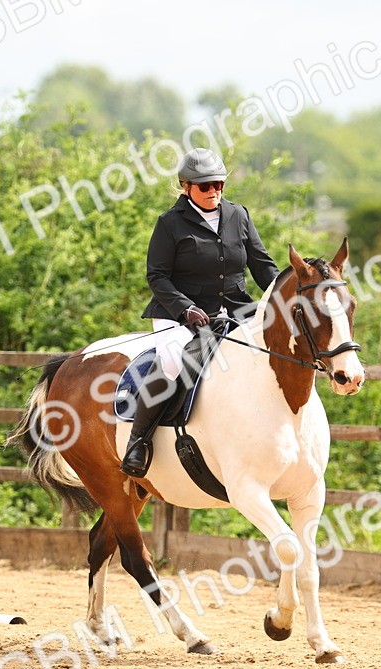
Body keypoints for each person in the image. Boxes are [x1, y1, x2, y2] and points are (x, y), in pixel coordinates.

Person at [121, 147, 281, 477]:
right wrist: (186, 308)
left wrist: (285, 297)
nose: (214, 192)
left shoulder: (239, 216)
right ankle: (139, 441)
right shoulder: (170, 223)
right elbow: (157, 276)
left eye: (219, 185)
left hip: (236, 310)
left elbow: (263, 266)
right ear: (186, 187)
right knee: (172, 361)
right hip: (178, 312)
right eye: (205, 186)